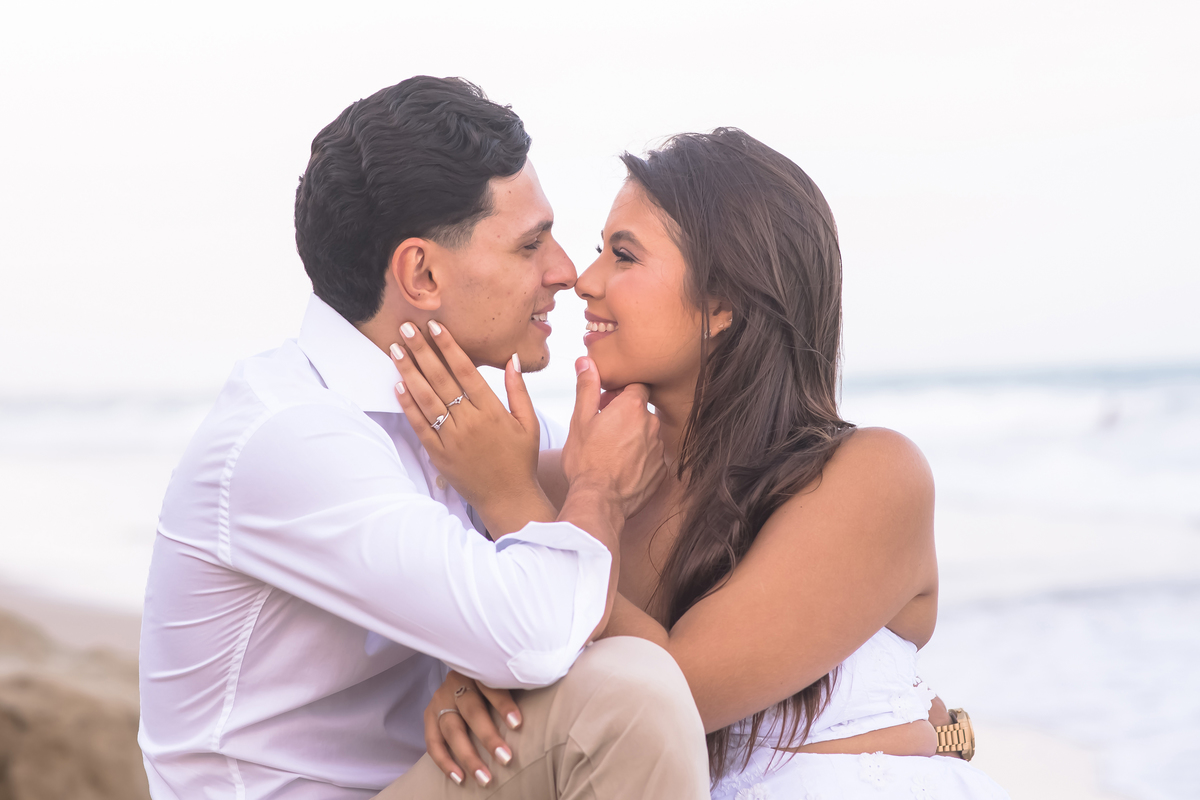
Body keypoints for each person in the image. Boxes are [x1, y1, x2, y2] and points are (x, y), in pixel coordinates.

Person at [137, 76, 713, 799]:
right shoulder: (293, 437)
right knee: (630, 696)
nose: (566, 273)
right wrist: (593, 491)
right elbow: (533, 634)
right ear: (422, 272)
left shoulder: (452, 417)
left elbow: (647, 500)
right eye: (531, 245)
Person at [397, 129, 1010, 798]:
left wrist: (518, 505)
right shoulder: (560, 484)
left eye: (623, 256)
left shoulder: (870, 477)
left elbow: (668, 698)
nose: (584, 278)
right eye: (601, 249)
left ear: (721, 303)